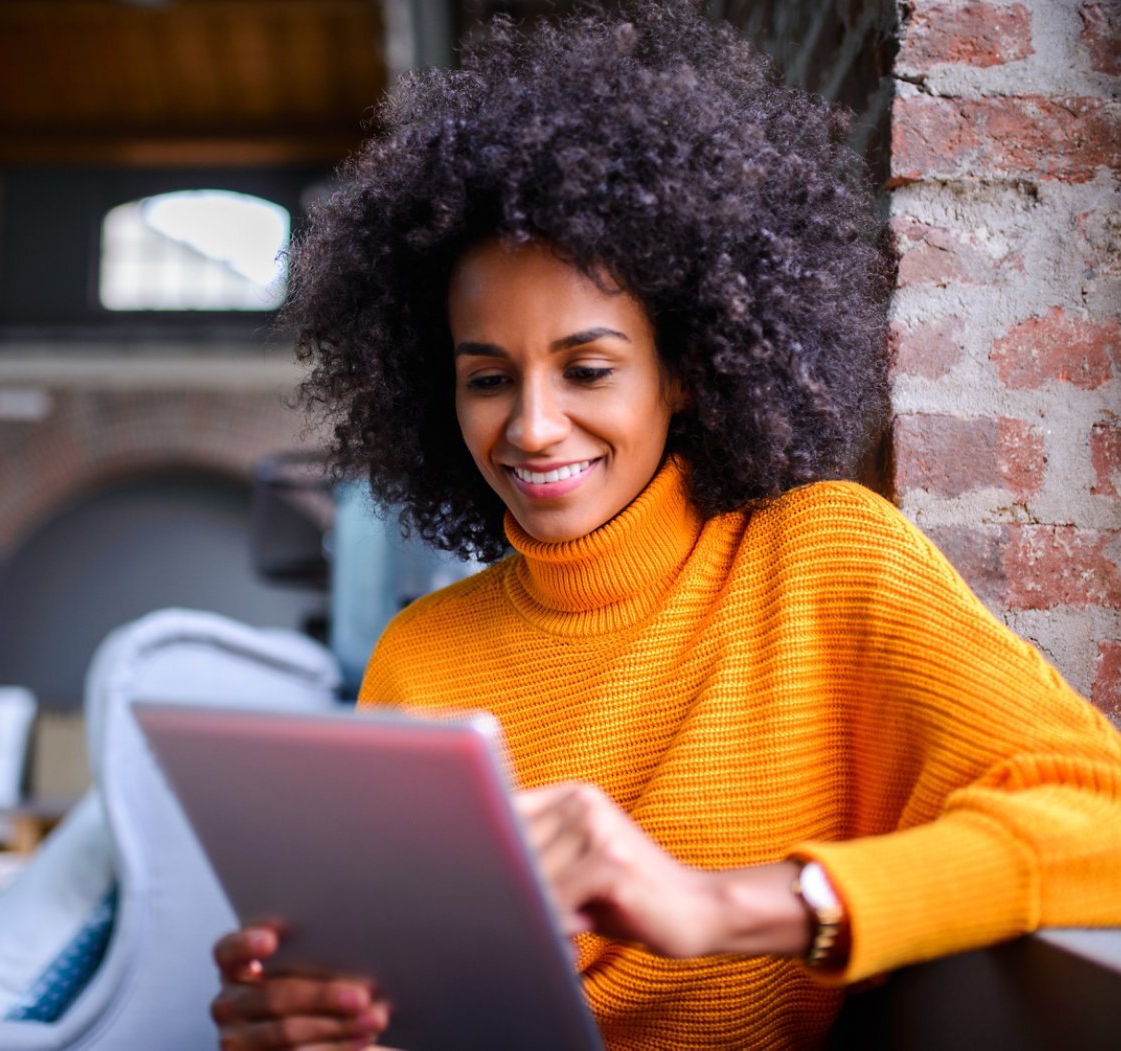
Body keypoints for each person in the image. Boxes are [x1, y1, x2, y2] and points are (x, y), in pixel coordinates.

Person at [209, 3, 1121, 1048]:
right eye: (486, 378)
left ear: (684, 370)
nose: (532, 426)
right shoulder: (419, 656)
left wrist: (719, 903)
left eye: (587, 369)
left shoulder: (820, 559)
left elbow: (1099, 821)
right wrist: (314, 1024)